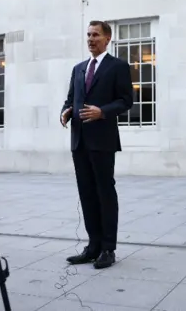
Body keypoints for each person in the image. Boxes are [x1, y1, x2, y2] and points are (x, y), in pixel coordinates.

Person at [60, 20, 133, 269]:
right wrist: (65, 111)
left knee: (104, 192)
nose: (91, 39)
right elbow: (71, 98)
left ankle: (108, 249)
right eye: (88, 35)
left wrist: (102, 111)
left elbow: (126, 101)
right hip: (79, 140)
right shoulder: (78, 68)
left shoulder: (118, 67)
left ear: (107, 39)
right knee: (86, 193)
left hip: (102, 140)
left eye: (96, 35)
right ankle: (92, 246)